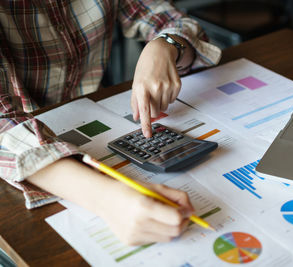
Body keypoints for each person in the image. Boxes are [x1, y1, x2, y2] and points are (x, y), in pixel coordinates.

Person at [0, 0, 221, 246]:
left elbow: (176, 22)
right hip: (22, 155)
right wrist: (107, 199)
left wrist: (167, 45)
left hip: (94, 113)